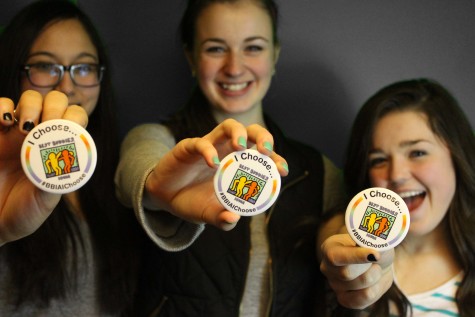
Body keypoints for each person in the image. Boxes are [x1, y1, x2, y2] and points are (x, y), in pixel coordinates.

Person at [114, 0, 345, 316]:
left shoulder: (317, 171)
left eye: (253, 47)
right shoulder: (157, 139)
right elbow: (137, 171)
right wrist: (157, 188)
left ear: (274, 55)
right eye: (215, 49)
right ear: (191, 57)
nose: (234, 67)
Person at [0, 1, 146, 315]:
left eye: (83, 68)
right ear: (14, 71)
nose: (66, 86)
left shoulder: (118, 174)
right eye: (44, 66)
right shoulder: (4, 177)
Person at [320, 78, 475, 316]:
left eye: (417, 152)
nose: (396, 175)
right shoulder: (346, 240)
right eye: (379, 160)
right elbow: (338, 237)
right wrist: (348, 258)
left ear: (456, 156)